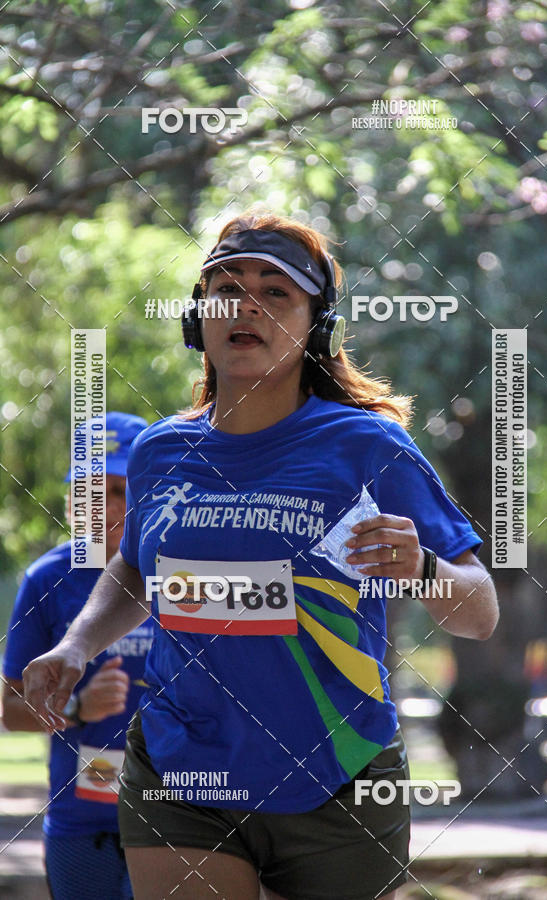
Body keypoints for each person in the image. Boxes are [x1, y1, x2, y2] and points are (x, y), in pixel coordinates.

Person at [23, 214, 499, 900]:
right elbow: (132, 567)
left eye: (276, 293)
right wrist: (75, 645)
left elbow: (478, 612)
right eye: (225, 288)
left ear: (317, 325)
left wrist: (424, 567)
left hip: (338, 777)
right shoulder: (161, 451)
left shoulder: (367, 446)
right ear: (198, 320)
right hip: (180, 770)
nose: (245, 305)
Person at [3, 412, 152, 900]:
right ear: (70, 500)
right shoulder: (46, 580)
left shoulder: (182, 576)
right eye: (89, 490)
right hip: (81, 822)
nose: (104, 508)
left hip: (175, 818)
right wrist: (77, 708)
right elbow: (10, 710)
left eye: (118, 490)